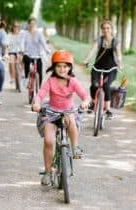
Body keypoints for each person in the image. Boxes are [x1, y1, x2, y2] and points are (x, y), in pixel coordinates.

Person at [32, 50, 89, 185]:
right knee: (48, 140)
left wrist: (85, 102)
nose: (62, 69)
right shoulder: (50, 81)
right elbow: (40, 94)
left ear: (70, 67)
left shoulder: (73, 81)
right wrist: (36, 103)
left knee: (71, 120)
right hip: (51, 111)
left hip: (68, 111)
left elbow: (84, 95)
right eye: (59, 66)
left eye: (65, 66)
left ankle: (75, 147)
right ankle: (47, 172)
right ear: (54, 67)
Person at [82, 19, 122, 118]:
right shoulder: (99, 40)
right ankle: (94, 103)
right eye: (103, 28)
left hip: (111, 68)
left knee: (106, 86)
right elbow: (92, 50)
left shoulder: (115, 41)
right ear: (101, 30)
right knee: (94, 85)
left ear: (112, 29)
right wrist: (86, 60)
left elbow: (119, 54)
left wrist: (120, 64)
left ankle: (108, 110)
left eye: (108, 28)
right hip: (97, 67)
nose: (106, 30)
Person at [22, 17, 50, 86]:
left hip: (37, 55)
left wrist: (47, 50)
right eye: (31, 23)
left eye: (34, 24)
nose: (32, 25)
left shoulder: (39, 33)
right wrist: (22, 50)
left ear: (35, 25)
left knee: (39, 72)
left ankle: (39, 87)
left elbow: (43, 43)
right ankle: (26, 77)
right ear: (28, 24)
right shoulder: (24, 34)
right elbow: (22, 43)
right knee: (26, 59)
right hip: (27, 54)